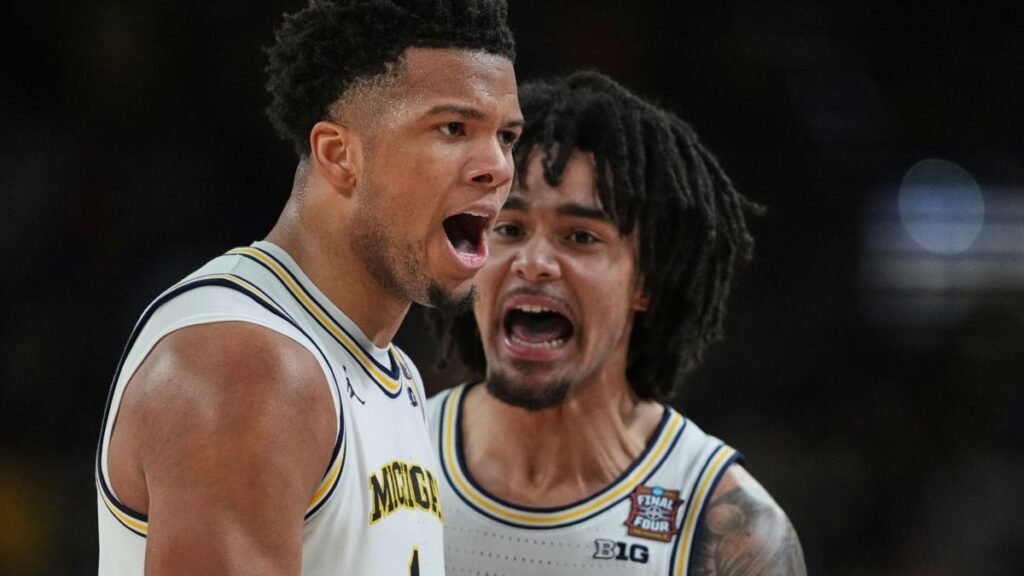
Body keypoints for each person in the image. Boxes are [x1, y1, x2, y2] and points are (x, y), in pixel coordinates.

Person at [95, 1, 523, 574]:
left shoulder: (388, 371)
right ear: (339, 154)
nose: (496, 166)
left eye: (508, 136)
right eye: (453, 128)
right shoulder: (250, 365)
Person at [426, 71, 807, 575]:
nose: (534, 261)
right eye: (509, 228)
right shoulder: (380, 454)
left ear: (645, 283)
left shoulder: (731, 531)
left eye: (580, 236)